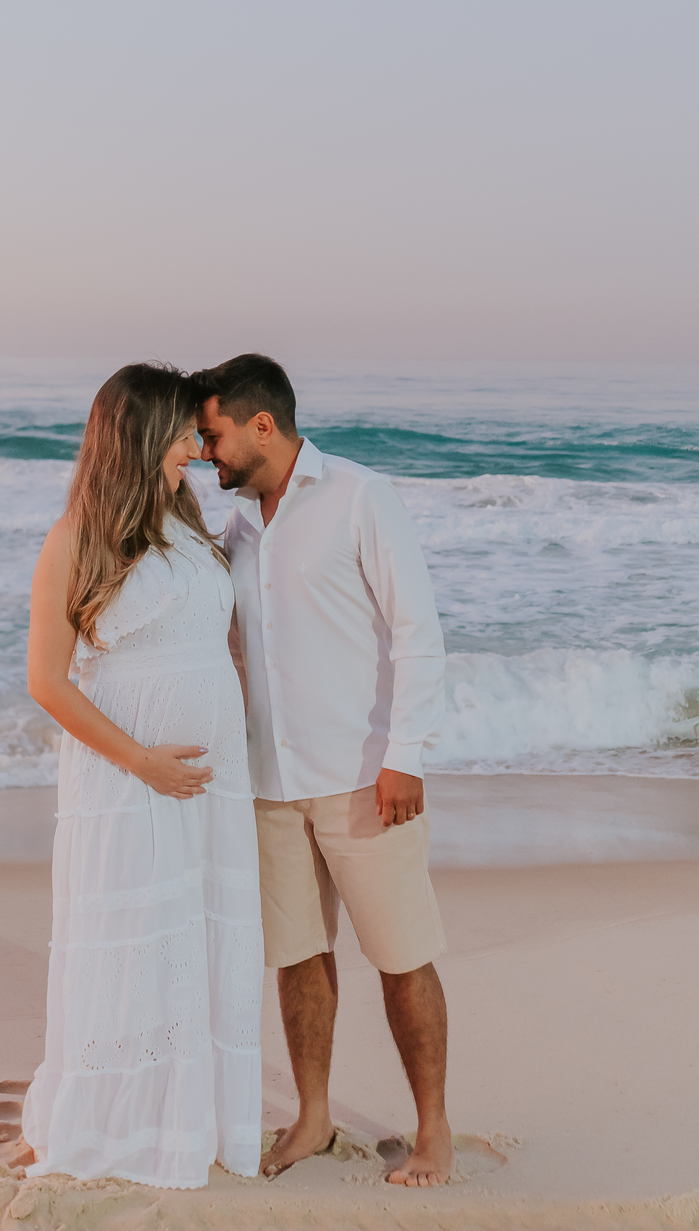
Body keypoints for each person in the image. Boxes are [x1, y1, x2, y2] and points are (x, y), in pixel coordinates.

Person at [194, 354, 452, 1187]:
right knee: (299, 956)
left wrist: (404, 755)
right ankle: (313, 1115)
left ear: (261, 424)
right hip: (267, 783)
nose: (208, 453)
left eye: (215, 434)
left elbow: (417, 629)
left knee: (401, 956)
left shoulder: (359, 497)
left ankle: (434, 1129)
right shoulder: (236, 527)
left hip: (361, 777)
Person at [19, 363, 263, 1189]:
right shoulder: (77, 537)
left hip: (208, 781)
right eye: (183, 431)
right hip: (127, 781)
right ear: (140, 434)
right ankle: (117, 1125)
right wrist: (143, 762)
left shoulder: (192, 524)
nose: (198, 444)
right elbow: (47, 681)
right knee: (133, 941)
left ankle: (191, 1119)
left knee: (196, 936)